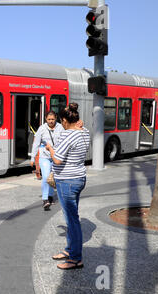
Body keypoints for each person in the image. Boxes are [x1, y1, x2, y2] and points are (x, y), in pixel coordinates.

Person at [45, 103, 90, 270]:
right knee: (72, 217)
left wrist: (50, 149)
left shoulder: (68, 135)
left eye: (61, 122)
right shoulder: (84, 132)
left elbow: (57, 159)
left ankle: (76, 259)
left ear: (64, 120)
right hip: (79, 178)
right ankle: (70, 250)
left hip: (67, 182)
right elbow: (81, 125)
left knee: (72, 221)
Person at [30, 111, 64, 211]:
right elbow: (36, 143)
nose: (51, 121)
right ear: (45, 119)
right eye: (49, 119)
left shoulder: (60, 127)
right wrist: (32, 158)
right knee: (45, 177)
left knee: (52, 178)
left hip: (56, 157)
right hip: (44, 157)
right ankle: (45, 199)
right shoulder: (42, 128)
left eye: (52, 119)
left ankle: (50, 196)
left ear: (56, 118)